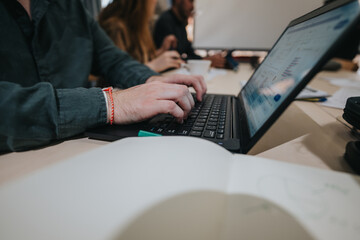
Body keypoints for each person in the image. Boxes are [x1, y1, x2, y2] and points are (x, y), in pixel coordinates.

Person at [0, 0, 206, 152]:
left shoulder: (69, 6)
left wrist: (152, 80)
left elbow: (113, 59)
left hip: (79, 149)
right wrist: (110, 103)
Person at [98, 0, 183, 73]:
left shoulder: (139, 25)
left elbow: (140, 59)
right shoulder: (115, 27)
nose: (155, 1)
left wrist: (161, 51)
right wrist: (153, 66)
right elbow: (118, 71)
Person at [153, 0, 226, 68]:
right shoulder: (165, 21)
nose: (193, 6)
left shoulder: (181, 22)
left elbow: (188, 50)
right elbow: (173, 59)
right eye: (190, 1)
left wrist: (205, 59)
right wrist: (204, 61)